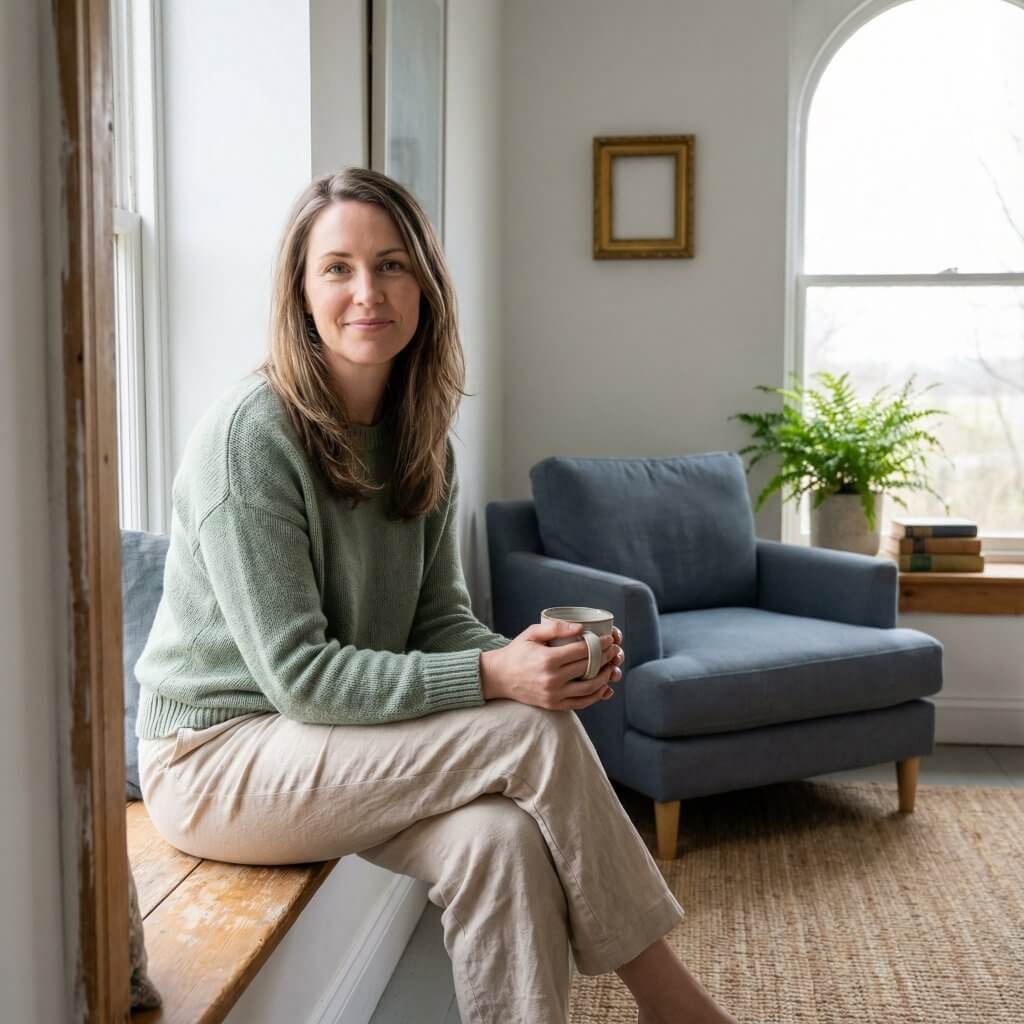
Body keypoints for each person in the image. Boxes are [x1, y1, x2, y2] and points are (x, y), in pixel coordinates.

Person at [134, 167, 739, 1024]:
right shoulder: (250, 438)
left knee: (501, 843)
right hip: (218, 759)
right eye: (336, 268)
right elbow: (301, 678)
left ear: (424, 282)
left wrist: (527, 656)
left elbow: (433, 621)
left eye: (390, 265)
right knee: (530, 732)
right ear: (301, 294)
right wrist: (499, 681)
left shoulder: (423, 439)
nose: (366, 291)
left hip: (328, 744)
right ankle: (669, 1001)